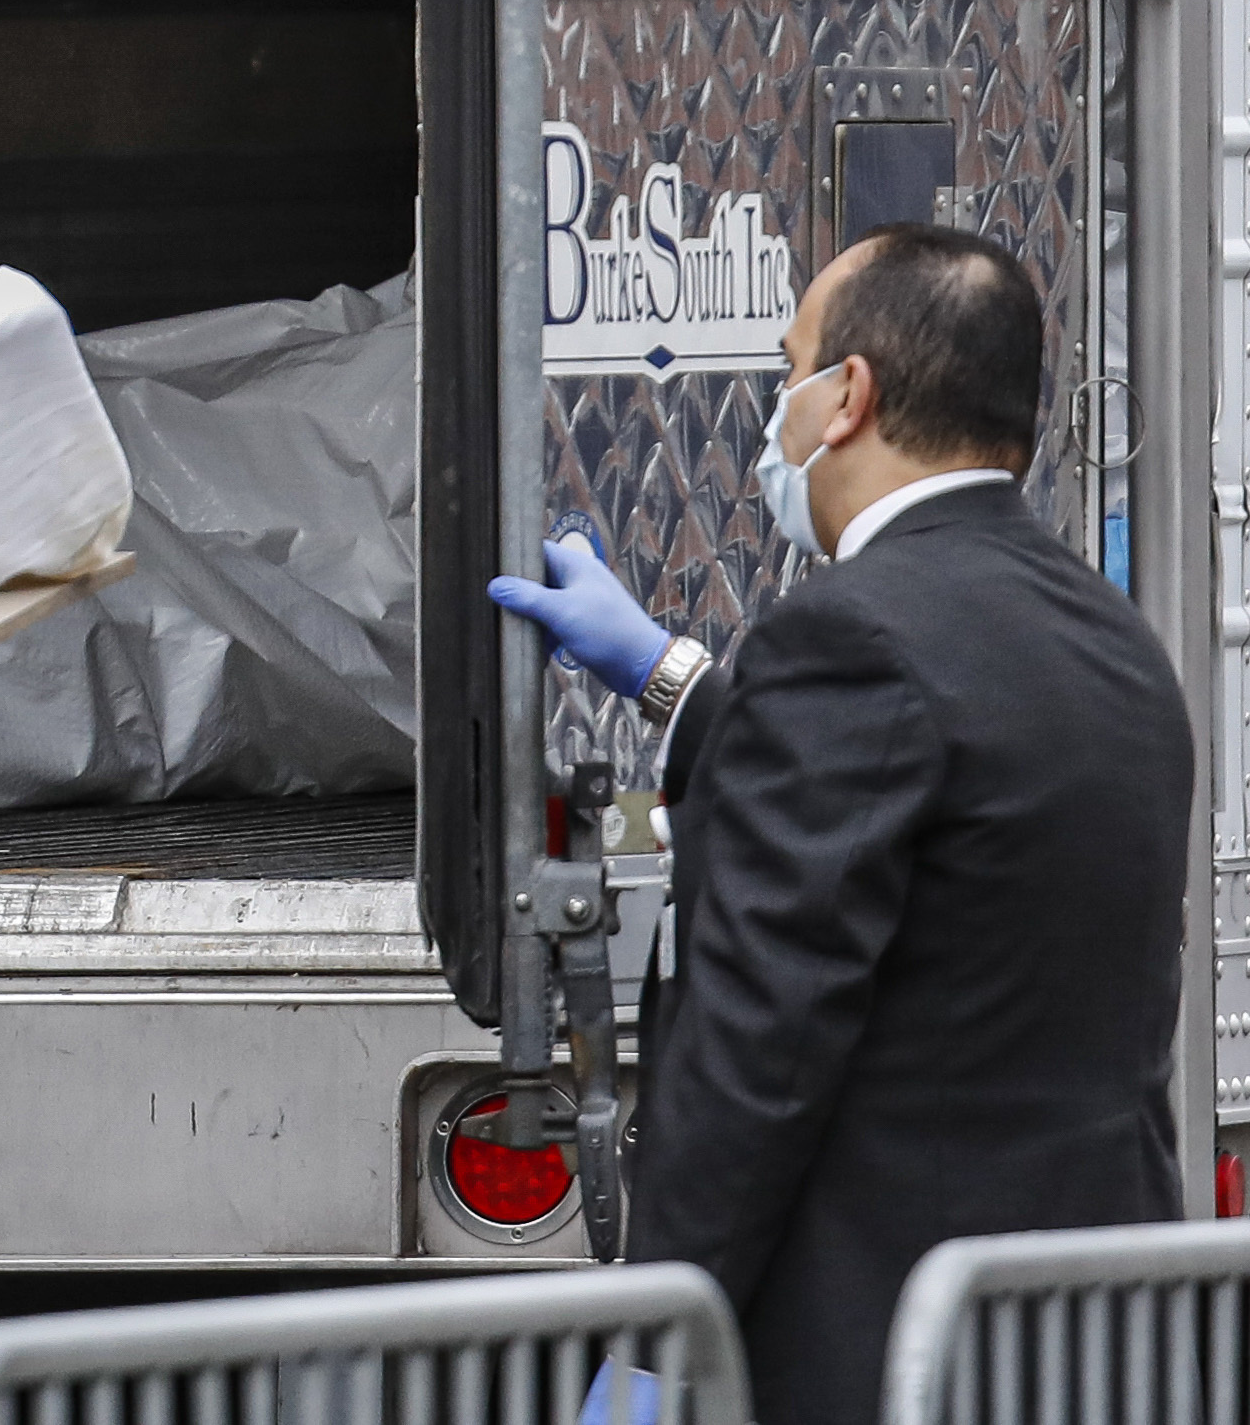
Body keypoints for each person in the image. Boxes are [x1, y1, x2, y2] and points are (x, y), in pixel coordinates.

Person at [489, 222, 1191, 1425]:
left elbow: (757, 1043)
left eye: (789, 366)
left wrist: (661, 1331)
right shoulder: (1109, 638)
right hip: (1083, 1340)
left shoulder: (850, 638)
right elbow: (936, 806)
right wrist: (667, 676)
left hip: (882, 1347)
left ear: (847, 397)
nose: (779, 412)